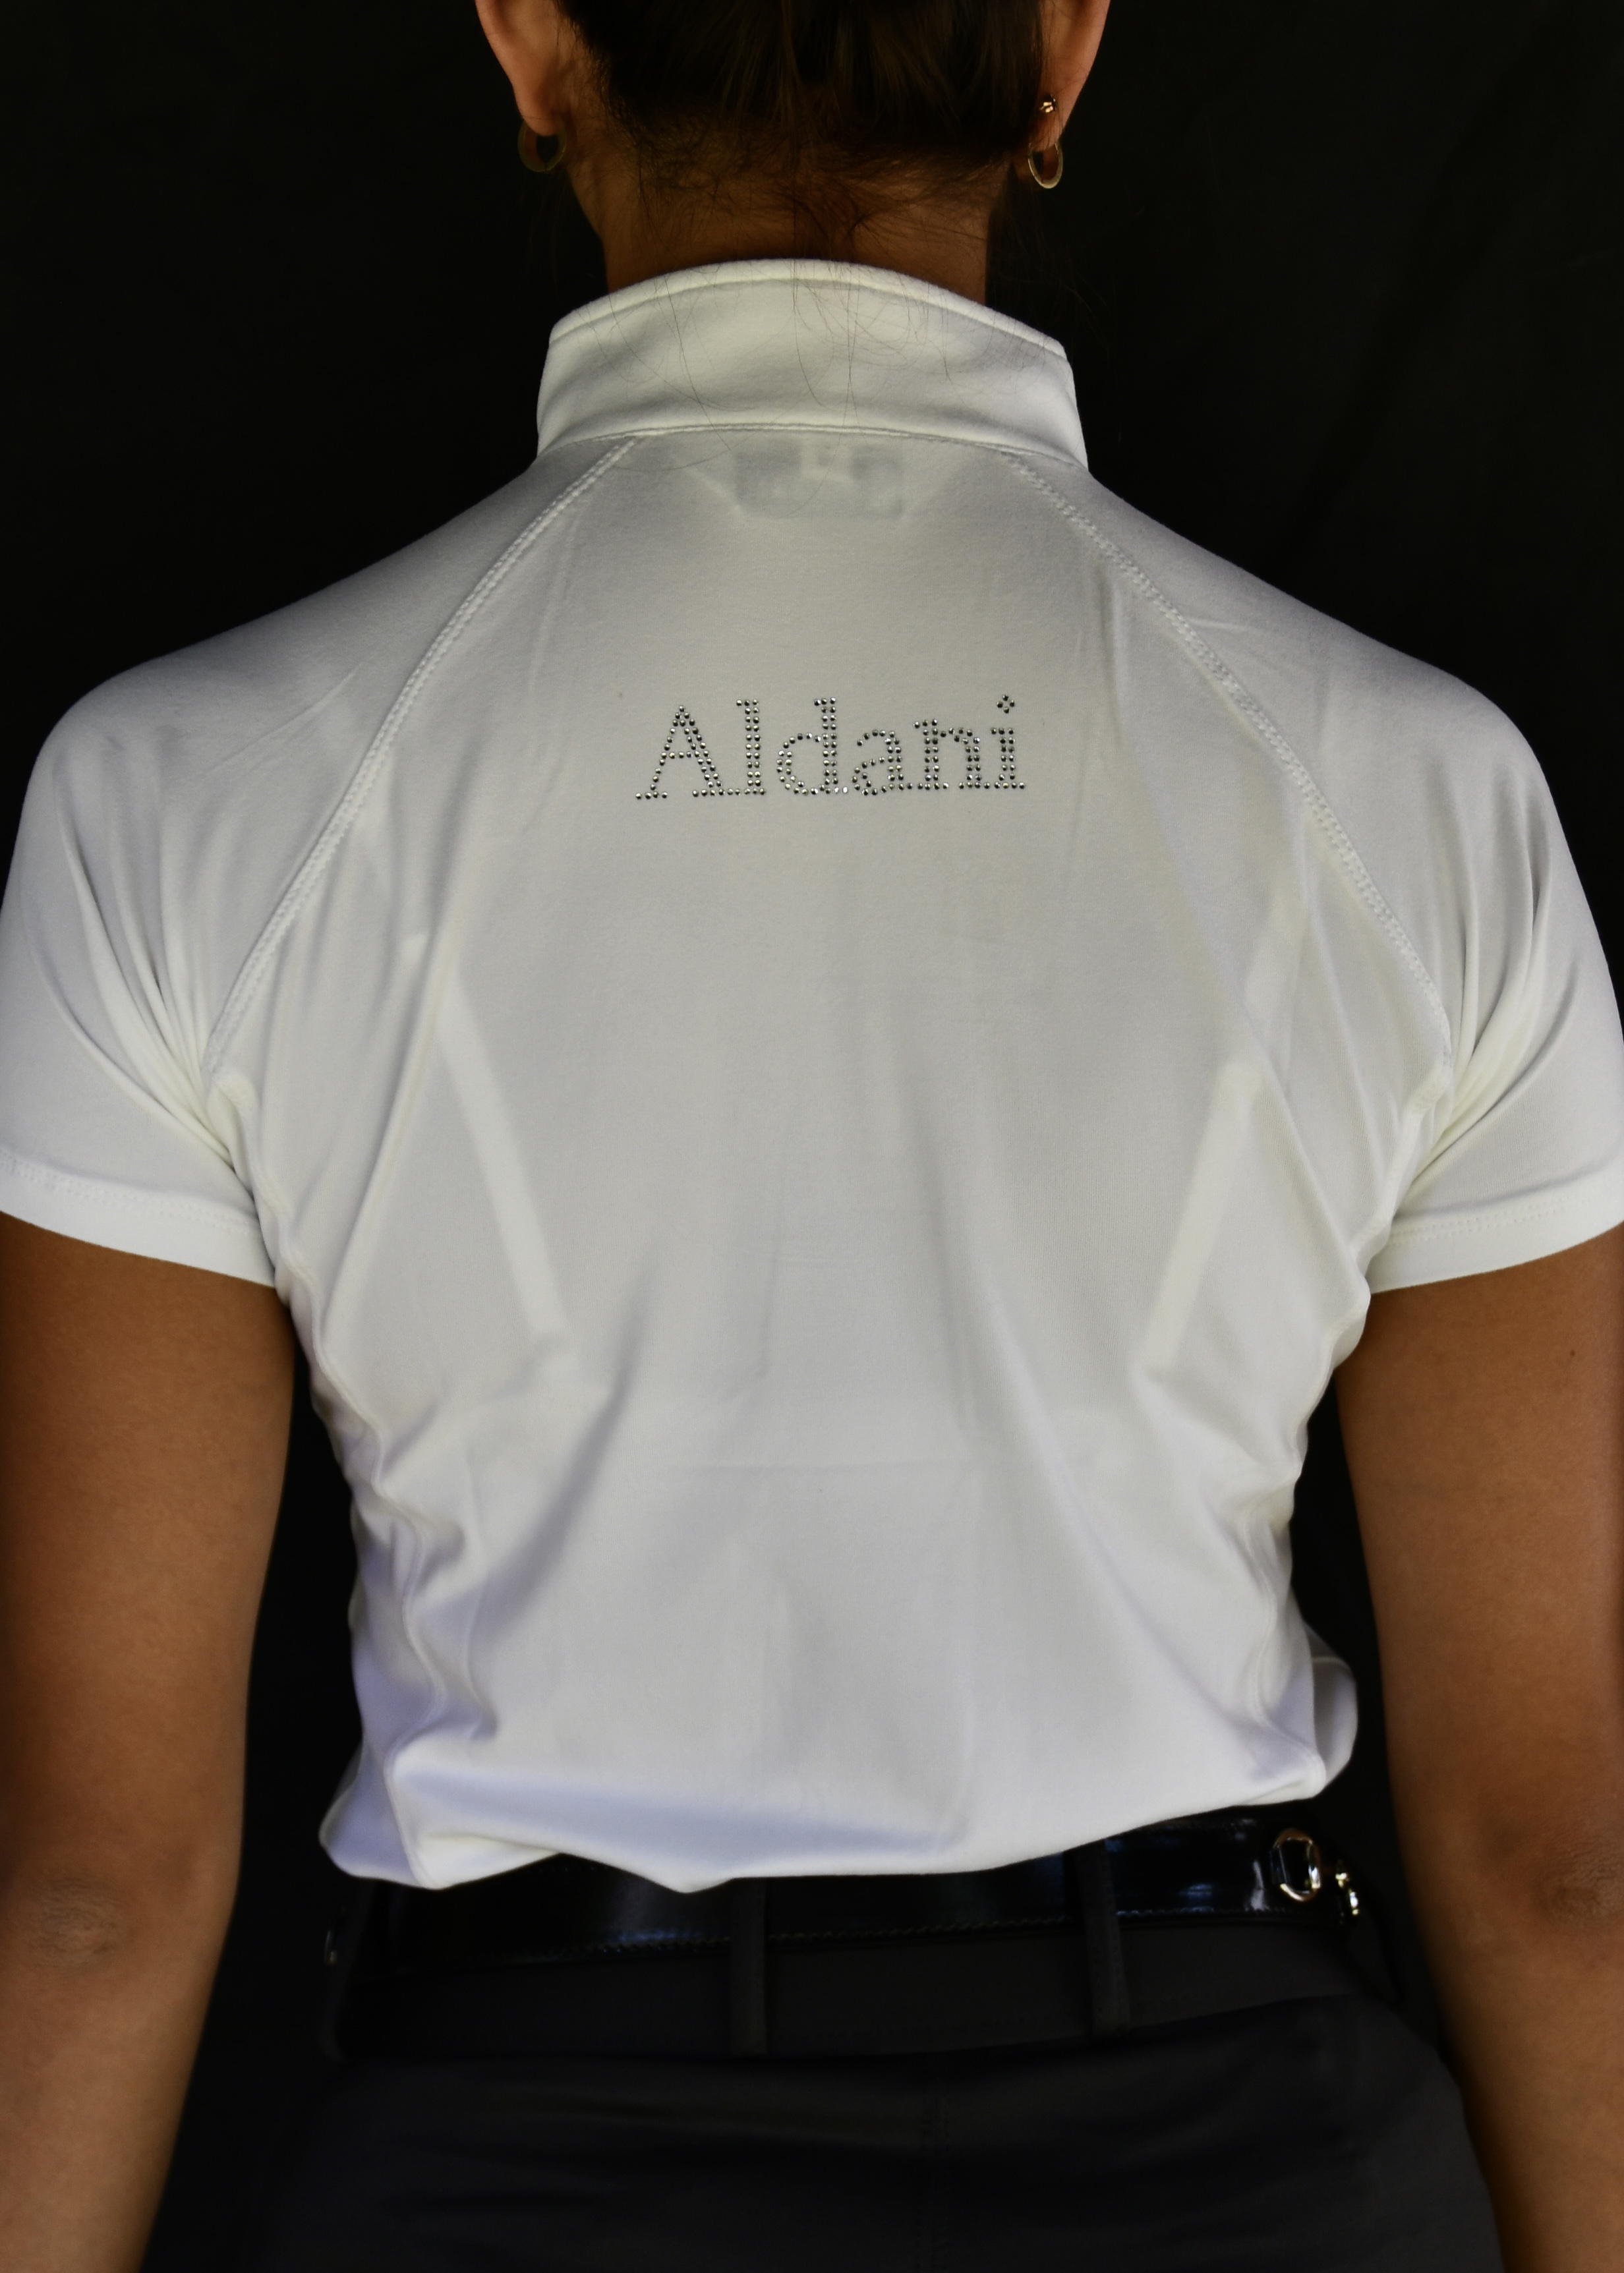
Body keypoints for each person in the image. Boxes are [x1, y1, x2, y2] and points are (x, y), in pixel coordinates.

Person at [1, 0, 1622, 2265]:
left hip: (510, 2179)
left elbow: (90, 1890)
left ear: (531, 42)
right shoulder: (1421, 801)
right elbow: (1557, 1865)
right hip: (1254, 2167)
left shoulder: (176, 803)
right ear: (1064, 52)